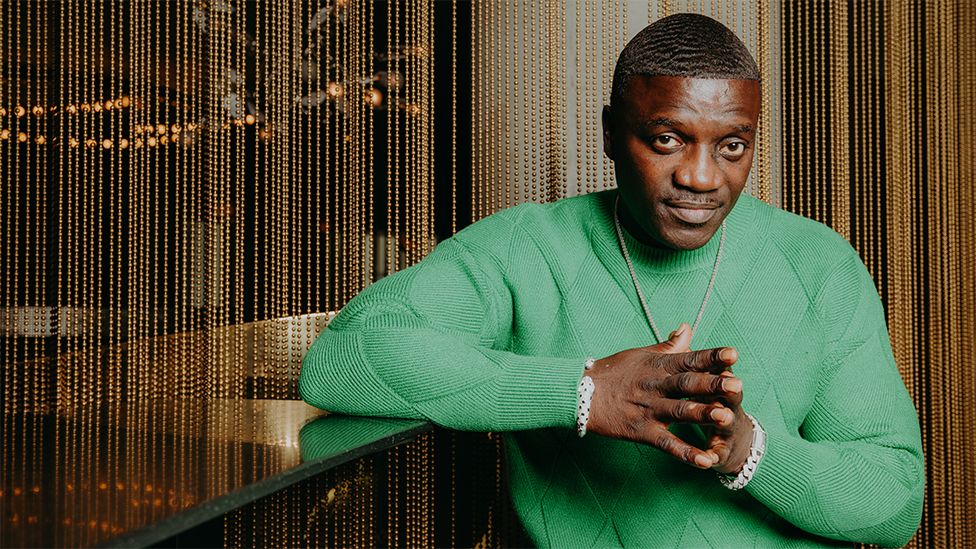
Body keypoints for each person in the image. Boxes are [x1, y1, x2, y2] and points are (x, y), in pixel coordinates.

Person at [299, 13, 924, 548]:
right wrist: (582, 391)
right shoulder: (528, 247)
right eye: (667, 139)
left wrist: (750, 453)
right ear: (609, 133)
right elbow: (340, 358)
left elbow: (895, 505)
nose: (702, 177)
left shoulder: (818, 264)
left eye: (732, 146)